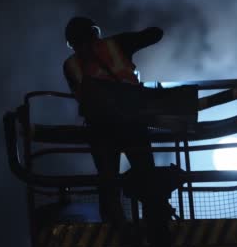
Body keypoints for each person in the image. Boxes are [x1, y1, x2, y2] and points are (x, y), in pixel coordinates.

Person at [62, 16, 163, 225]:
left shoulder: (69, 65)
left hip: (99, 128)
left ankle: (115, 227)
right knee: (146, 175)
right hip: (132, 121)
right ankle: (156, 222)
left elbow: (79, 94)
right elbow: (156, 34)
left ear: (71, 42)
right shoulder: (116, 44)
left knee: (108, 180)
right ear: (94, 32)